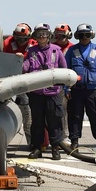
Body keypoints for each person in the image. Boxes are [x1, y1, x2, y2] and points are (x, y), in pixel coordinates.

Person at [65, 23, 96, 156]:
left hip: (93, 91)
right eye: (81, 35)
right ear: (77, 36)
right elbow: (66, 70)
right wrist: (66, 89)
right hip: (76, 90)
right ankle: (74, 144)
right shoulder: (72, 51)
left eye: (87, 35)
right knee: (74, 117)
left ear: (91, 35)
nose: (84, 38)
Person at [22, 23, 67, 160]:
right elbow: (25, 69)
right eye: (39, 34)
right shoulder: (31, 52)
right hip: (36, 93)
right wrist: (20, 60)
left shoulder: (56, 50)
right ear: (35, 36)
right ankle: (37, 148)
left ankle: (55, 148)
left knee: (55, 121)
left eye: (44, 34)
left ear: (49, 36)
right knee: (37, 122)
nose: (42, 36)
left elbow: (64, 69)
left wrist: (65, 88)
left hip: (53, 93)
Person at [2, 23, 34, 142]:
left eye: (23, 39)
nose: (20, 41)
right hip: (14, 80)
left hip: (31, 80)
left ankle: (33, 141)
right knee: (25, 112)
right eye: (18, 39)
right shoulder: (8, 43)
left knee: (31, 114)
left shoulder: (33, 44)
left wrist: (23, 57)